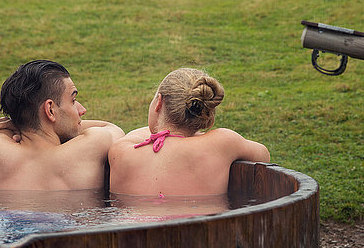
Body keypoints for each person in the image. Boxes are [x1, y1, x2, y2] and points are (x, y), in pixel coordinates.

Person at [108, 68, 270, 196]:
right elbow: (263, 156)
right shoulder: (222, 143)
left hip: (135, 234)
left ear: (158, 103)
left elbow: (142, 136)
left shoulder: (122, 152)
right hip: (202, 233)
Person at [0, 60, 124, 191]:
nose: (82, 110)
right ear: (50, 110)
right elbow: (113, 130)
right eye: (73, 100)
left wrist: (21, 121)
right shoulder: (88, 148)